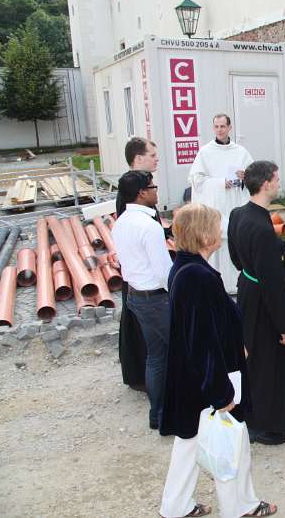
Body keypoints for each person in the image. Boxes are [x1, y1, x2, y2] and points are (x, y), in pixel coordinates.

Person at [159, 204, 275, 518]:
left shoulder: (186, 268)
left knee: (189, 443)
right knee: (231, 443)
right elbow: (202, 340)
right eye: (216, 226)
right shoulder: (198, 276)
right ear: (205, 234)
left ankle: (175, 507)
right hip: (212, 379)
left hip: (190, 378)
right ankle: (241, 507)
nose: (221, 232)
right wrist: (221, 394)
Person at [228, 161, 285, 446]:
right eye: (275, 178)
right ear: (265, 184)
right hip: (262, 295)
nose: (277, 182)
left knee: (264, 355)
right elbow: (274, 284)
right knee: (266, 358)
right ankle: (264, 423)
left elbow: (236, 258)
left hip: (248, 287)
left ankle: (283, 406)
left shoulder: (238, 214)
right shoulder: (261, 227)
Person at [112, 170, 173, 430]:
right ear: (142, 193)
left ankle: (157, 413)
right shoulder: (148, 226)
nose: (156, 191)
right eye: (153, 186)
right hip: (156, 299)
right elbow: (163, 273)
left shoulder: (121, 221)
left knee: (156, 356)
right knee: (182, 350)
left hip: (136, 295)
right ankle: (182, 410)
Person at [189, 114, 253, 293]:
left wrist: (245, 176)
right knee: (217, 244)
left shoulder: (241, 152)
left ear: (229, 127)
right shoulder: (205, 152)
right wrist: (219, 183)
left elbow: (254, 176)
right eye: (216, 126)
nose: (219, 130)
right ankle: (218, 285)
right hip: (214, 208)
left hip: (235, 204)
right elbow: (196, 180)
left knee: (235, 242)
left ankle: (236, 284)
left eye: (223, 126)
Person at [117, 136, 161, 393]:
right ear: (137, 158)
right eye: (152, 155)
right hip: (142, 279)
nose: (156, 159)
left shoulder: (141, 188)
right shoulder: (131, 193)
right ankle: (142, 376)